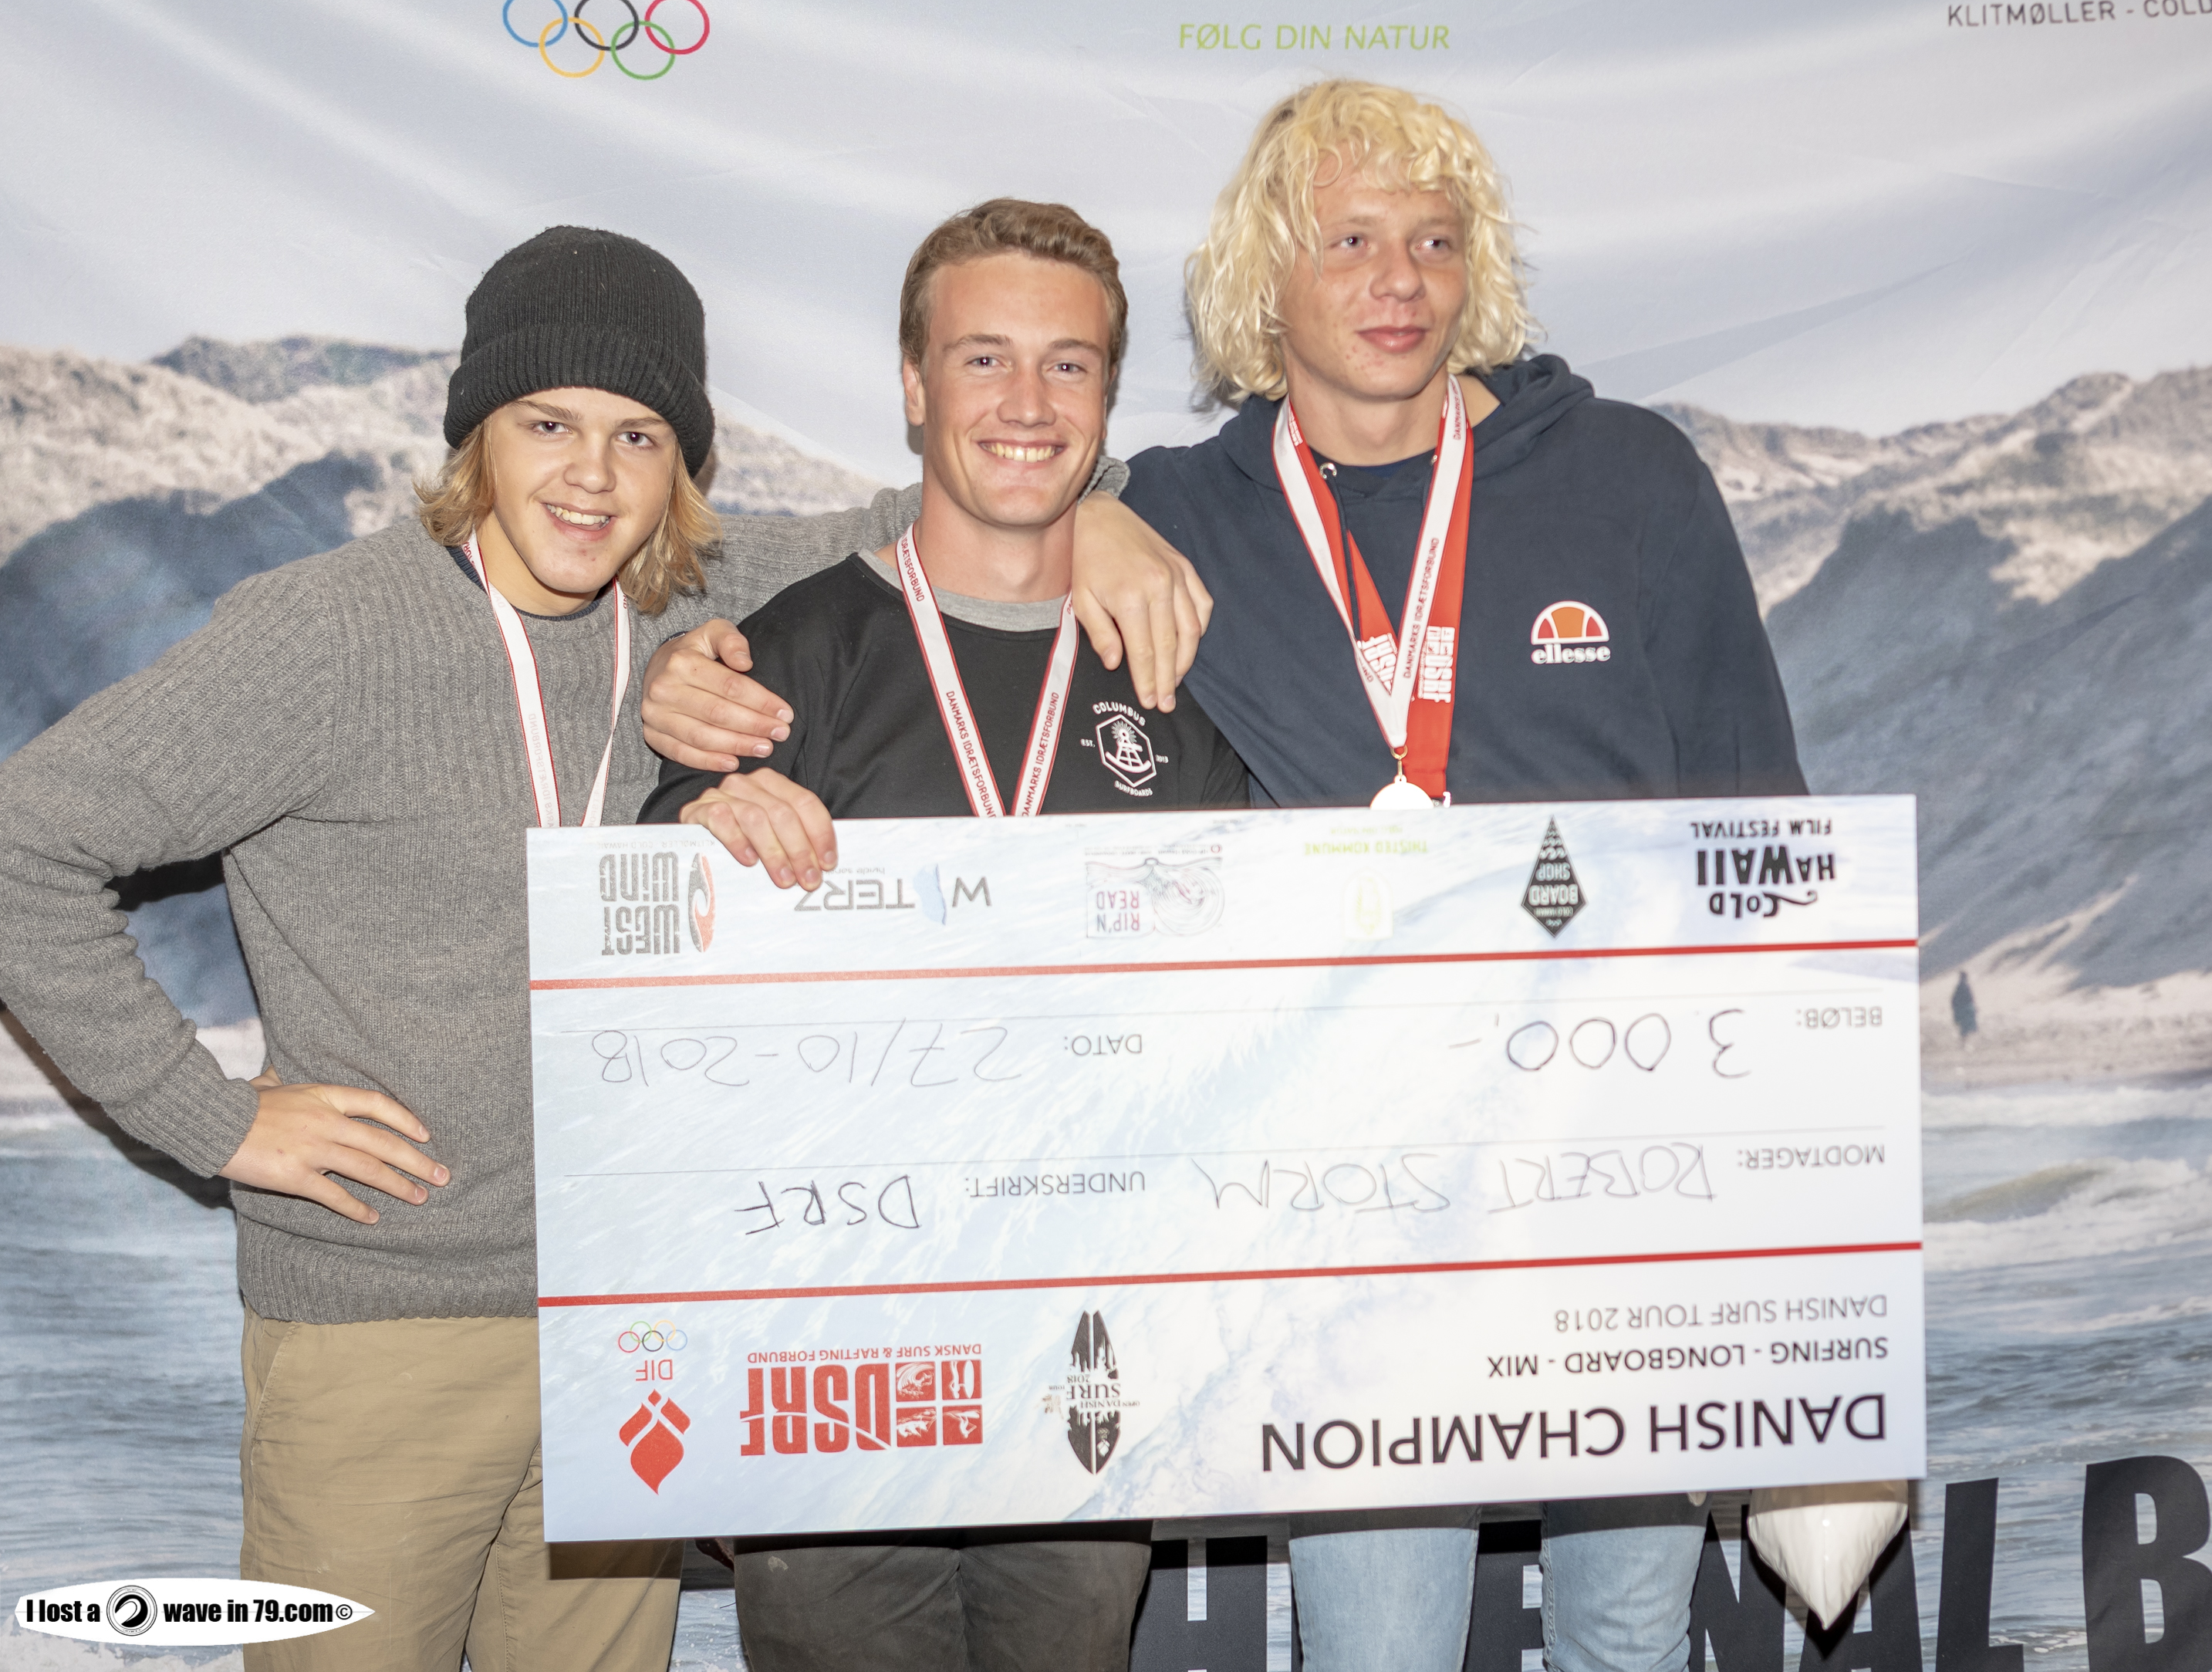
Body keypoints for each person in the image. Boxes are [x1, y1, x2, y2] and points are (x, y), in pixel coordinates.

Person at [636, 80, 1812, 1672]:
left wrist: (1790, 1215)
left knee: (1627, 1642)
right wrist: (696, 665)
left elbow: (1759, 826)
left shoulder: (1627, 475)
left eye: (1434, 241)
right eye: (1350, 240)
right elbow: (948, 524)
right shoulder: (1190, 509)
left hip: (1612, 1173)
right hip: (1356, 1215)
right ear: (1270, 275)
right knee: (1378, 1656)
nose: (1398, 280)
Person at [0, 225, 1205, 1672]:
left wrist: (1110, 516)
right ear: (476, 433)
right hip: (395, 1320)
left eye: (638, 435)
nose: (591, 475)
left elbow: (975, 485)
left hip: (635, 1326)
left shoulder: (698, 598)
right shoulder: (326, 634)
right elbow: (24, 843)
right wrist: (212, 1119)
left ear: (681, 462)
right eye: (547, 424)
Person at [644, 200, 1244, 1670]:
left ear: (1108, 397)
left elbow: (1253, 1020)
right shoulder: (791, 655)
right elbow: (655, 1020)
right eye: (983, 359)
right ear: (914, 387)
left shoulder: (1174, 668)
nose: (1027, 403)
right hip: (831, 1368)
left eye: (1068, 364)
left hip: (1090, 1360)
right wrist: (693, 842)